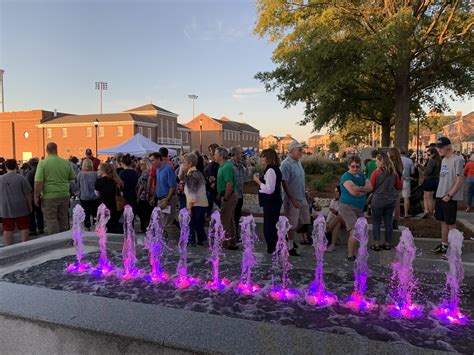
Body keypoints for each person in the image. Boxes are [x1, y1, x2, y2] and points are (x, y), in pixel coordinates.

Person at [431, 137, 464, 257]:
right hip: (440, 195)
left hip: (449, 196)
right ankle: (444, 245)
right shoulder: (444, 160)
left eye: (441, 147)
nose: (439, 150)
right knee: (443, 222)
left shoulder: (457, 160)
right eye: (438, 147)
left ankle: (454, 250)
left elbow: (459, 180)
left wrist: (450, 195)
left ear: (448, 147)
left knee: (451, 223)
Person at [34, 143, 76, 235]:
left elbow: (38, 182)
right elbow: (72, 177)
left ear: (46, 150)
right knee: (63, 218)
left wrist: (36, 197)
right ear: (57, 149)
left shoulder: (43, 163)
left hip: (49, 196)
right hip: (64, 195)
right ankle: (65, 238)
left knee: (51, 219)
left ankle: (55, 240)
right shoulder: (65, 162)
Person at [280, 141, 310, 256]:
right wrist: (292, 199)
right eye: (299, 150)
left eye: (301, 150)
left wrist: (306, 190)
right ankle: (290, 246)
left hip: (301, 196)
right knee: (292, 222)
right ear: (291, 151)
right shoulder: (286, 164)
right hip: (292, 198)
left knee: (305, 220)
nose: (301, 152)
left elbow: (301, 178)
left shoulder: (298, 162)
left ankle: (286, 237)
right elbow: (284, 183)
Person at [339, 155, 371, 261]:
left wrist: (360, 189)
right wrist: (363, 191)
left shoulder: (361, 175)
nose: (355, 169)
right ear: (348, 166)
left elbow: (370, 187)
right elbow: (353, 192)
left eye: (357, 166)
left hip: (359, 207)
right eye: (353, 166)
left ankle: (355, 251)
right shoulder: (346, 177)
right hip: (347, 207)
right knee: (355, 231)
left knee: (361, 230)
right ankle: (350, 255)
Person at [369, 152, 402, 251]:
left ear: (381, 161)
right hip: (390, 201)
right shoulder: (393, 173)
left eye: (377, 161)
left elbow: (371, 187)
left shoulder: (376, 173)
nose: (376, 163)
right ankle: (387, 244)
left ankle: (376, 244)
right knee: (388, 222)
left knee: (376, 222)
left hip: (378, 200)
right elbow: (398, 186)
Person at [254, 148, 282, 254]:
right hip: (273, 201)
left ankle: (272, 248)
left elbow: (270, 189)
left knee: (269, 227)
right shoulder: (274, 169)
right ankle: (274, 247)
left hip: (271, 201)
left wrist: (258, 181)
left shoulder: (271, 170)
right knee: (272, 225)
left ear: (267, 157)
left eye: (263, 156)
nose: (261, 158)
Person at [0, 159, 33, 246]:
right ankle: (24, 245)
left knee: (7, 228)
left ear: (6, 167)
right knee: (24, 226)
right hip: (21, 205)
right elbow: (28, 194)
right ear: (16, 166)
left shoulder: (1, 179)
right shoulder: (22, 178)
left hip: (5, 206)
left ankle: (9, 247)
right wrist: (30, 206)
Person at [215, 147, 239, 250]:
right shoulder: (222, 166)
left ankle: (225, 243)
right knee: (230, 220)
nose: (214, 156)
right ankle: (232, 242)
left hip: (229, 196)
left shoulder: (227, 167)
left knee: (225, 220)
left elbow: (229, 183)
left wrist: (225, 197)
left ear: (221, 156)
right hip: (225, 194)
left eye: (215, 154)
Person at [182, 153, 208, 246]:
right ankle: (203, 241)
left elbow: (192, 192)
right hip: (203, 203)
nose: (182, 164)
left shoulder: (192, 175)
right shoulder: (199, 173)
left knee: (191, 225)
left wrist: (189, 207)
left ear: (190, 163)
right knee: (200, 225)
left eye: (184, 162)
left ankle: (191, 243)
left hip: (195, 204)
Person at [149, 152, 177, 232]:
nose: (152, 163)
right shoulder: (158, 169)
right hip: (161, 198)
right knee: (160, 223)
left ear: (158, 159)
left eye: (153, 160)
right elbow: (159, 184)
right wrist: (154, 197)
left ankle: (173, 241)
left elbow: (173, 186)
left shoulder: (168, 169)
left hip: (167, 199)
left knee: (167, 224)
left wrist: (167, 200)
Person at [95, 163, 122, 233]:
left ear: (103, 171)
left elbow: (97, 194)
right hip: (115, 207)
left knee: (104, 227)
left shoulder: (98, 181)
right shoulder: (116, 180)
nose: (97, 171)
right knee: (113, 226)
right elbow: (120, 193)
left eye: (98, 169)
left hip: (104, 206)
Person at [76, 158, 99, 230]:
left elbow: (78, 186)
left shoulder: (80, 174)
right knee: (95, 212)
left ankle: (87, 226)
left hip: (84, 197)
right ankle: (96, 225)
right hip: (94, 196)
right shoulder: (96, 174)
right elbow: (98, 185)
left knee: (86, 212)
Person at [419, 147, 441, 218]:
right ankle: (427, 211)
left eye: (429, 154)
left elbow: (428, 171)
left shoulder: (432, 160)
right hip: (435, 179)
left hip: (429, 180)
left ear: (433, 154)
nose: (428, 156)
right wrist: (420, 166)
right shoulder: (439, 160)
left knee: (428, 197)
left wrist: (423, 172)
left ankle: (430, 212)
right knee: (427, 196)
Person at [230, 146, 245, 240]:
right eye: (240, 153)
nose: (242, 155)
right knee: (232, 216)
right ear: (235, 154)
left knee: (237, 216)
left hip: (240, 194)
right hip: (233, 195)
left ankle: (237, 234)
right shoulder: (230, 165)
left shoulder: (241, 165)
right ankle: (233, 235)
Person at [26, 158, 44, 236]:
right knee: (40, 212)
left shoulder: (30, 173)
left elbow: (28, 186)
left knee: (32, 213)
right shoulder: (42, 171)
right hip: (41, 194)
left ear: (30, 165)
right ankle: (41, 228)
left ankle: (33, 229)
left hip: (33, 195)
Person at [388, 147, 403, 229]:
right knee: (397, 204)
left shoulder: (391, 163)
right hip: (398, 185)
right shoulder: (399, 163)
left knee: (390, 204)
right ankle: (396, 222)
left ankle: (389, 221)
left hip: (392, 185)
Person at [326, 186, 345, 252]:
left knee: (338, 218)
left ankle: (325, 231)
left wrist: (335, 212)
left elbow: (342, 214)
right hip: (337, 221)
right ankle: (333, 245)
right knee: (337, 224)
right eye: (335, 191)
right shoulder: (333, 201)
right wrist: (327, 221)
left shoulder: (344, 201)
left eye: (337, 191)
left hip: (345, 221)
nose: (335, 193)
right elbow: (330, 213)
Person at [136, 158, 153, 233]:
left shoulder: (145, 173)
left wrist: (138, 196)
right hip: (147, 195)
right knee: (146, 212)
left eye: (142, 164)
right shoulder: (149, 172)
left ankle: (143, 227)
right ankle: (146, 227)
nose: (140, 166)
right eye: (140, 164)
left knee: (143, 212)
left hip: (143, 196)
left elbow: (142, 186)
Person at [204, 143, 220, 217]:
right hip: (209, 188)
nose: (209, 152)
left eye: (210, 150)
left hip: (213, 189)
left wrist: (215, 182)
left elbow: (218, 175)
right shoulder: (211, 163)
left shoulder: (217, 164)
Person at [400, 148, 415, 218]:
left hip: (397, 180)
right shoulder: (409, 161)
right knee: (406, 197)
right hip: (406, 180)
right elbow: (412, 172)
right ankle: (406, 213)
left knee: (395, 197)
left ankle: (394, 212)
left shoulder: (396, 160)